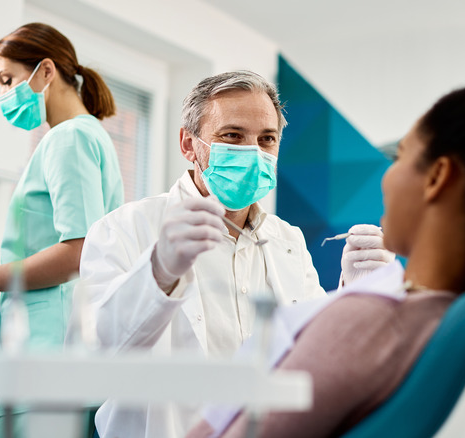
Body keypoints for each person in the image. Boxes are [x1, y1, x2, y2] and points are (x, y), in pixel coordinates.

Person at [186, 44, 465, 438]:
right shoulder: (464, 316)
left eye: (399, 156)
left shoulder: (367, 323)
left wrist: (349, 305)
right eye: (233, 137)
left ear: (437, 177)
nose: (386, 176)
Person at [78, 70, 394, 438]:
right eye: (232, 136)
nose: (253, 152)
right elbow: (94, 360)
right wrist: (159, 272)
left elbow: (314, 358)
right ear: (188, 144)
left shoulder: (287, 239)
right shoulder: (126, 228)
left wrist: (353, 295)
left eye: (267, 139)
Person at [0, 22, 124, 436]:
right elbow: (60, 292)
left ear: (46, 71)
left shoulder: (68, 139)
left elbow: (77, 252)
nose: (4, 94)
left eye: (7, 79)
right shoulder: (89, 138)